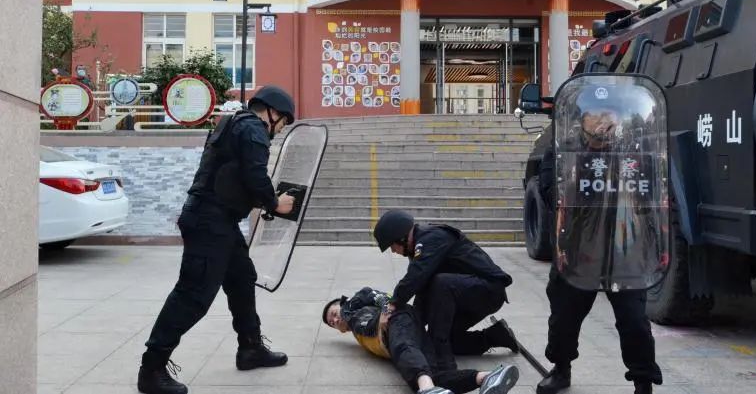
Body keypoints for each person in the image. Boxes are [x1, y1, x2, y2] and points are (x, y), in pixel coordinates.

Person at [137, 85, 298, 394]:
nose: (280, 130)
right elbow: (255, 175)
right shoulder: (253, 130)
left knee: (241, 279)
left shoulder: (234, 122)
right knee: (193, 295)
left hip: (218, 219)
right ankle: (151, 368)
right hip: (210, 222)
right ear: (273, 113)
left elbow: (235, 176)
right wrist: (275, 203)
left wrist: (263, 200)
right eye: (283, 122)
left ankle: (250, 347)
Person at [536, 87, 663, 394]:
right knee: (565, 316)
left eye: (611, 113)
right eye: (597, 113)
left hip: (624, 246)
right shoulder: (563, 148)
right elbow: (549, 191)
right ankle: (561, 367)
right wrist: (588, 159)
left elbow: (651, 191)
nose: (605, 120)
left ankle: (643, 379)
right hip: (579, 248)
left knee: (634, 320)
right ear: (583, 119)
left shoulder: (633, 147)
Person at [373, 210, 518, 371]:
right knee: (449, 339)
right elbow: (421, 289)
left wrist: (392, 304)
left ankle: (444, 365)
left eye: (392, 246)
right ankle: (496, 336)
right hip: (465, 293)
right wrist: (411, 326)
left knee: (441, 284)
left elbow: (416, 277)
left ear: (401, 237)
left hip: (488, 290)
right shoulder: (422, 246)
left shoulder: (431, 238)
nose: (393, 251)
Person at [322, 287, 519, 394]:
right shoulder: (357, 333)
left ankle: (428, 390)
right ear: (338, 331)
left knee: (403, 350)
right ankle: (487, 378)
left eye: (334, 313)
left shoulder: (351, 307)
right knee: (433, 375)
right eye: (332, 322)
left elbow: (372, 294)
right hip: (407, 332)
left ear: (342, 303)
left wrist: (385, 310)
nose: (335, 319)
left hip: (397, 321)